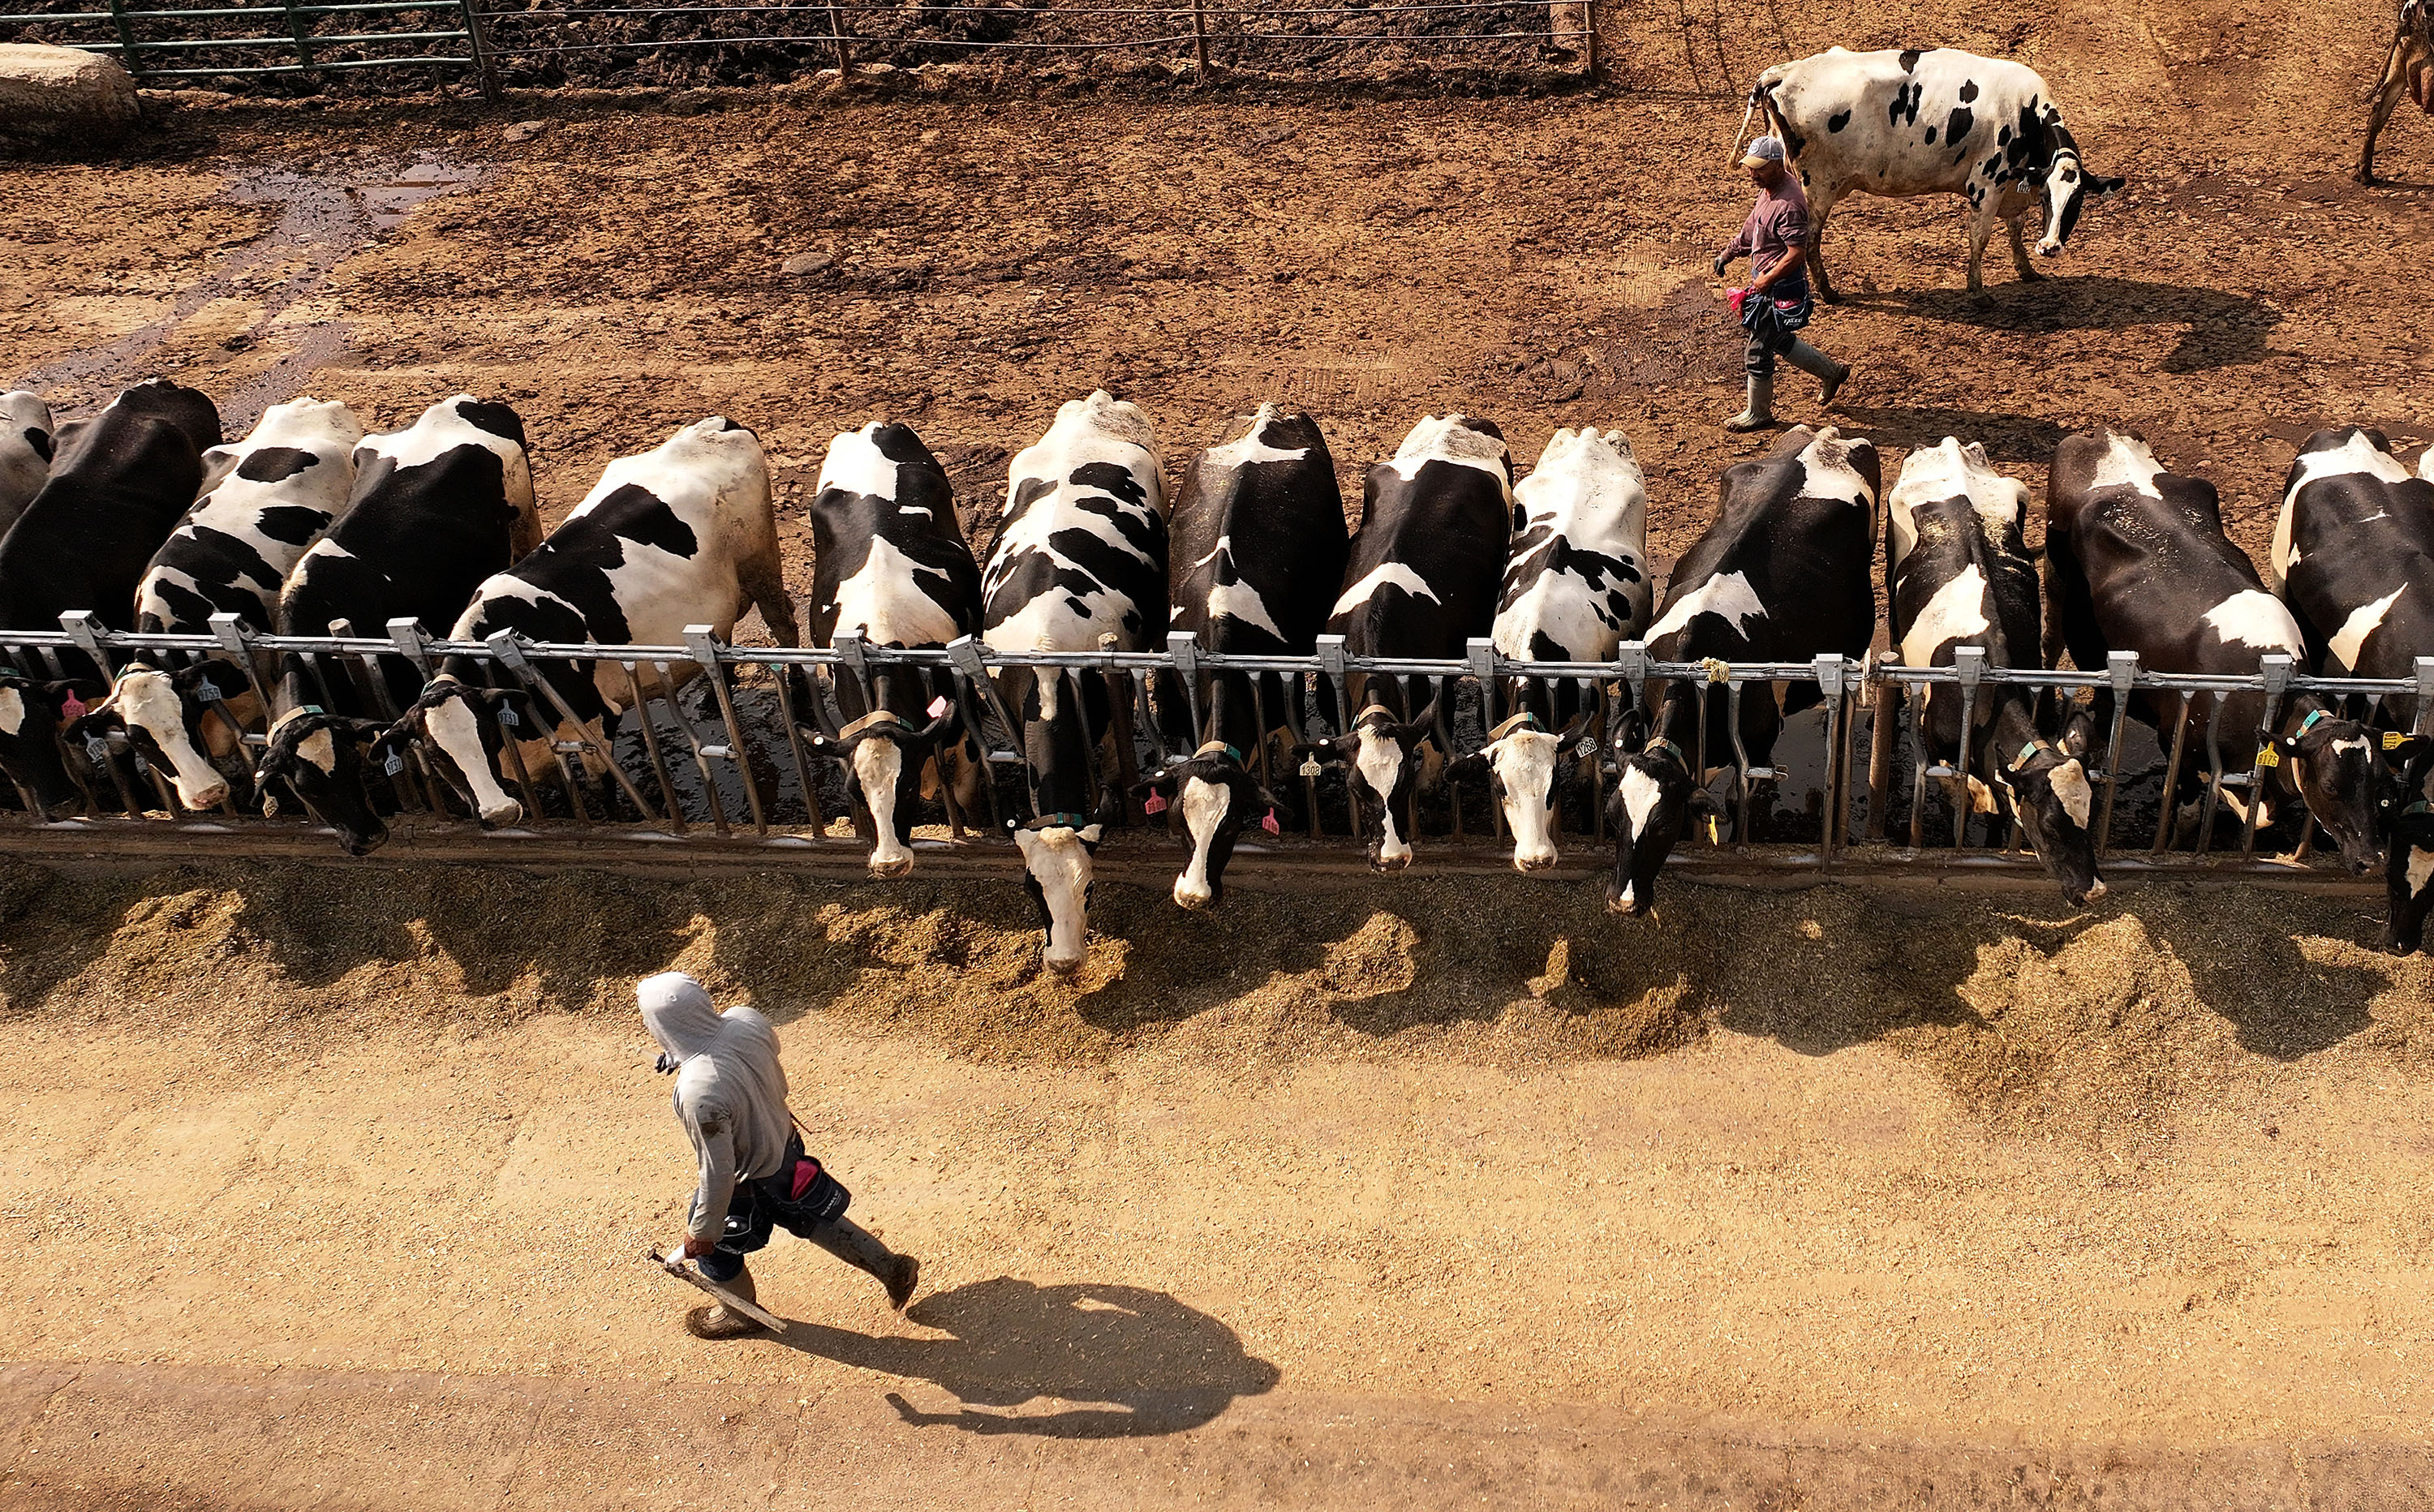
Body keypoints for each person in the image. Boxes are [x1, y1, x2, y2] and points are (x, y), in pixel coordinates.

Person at [640, 970, 918, 1338]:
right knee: (807, 1212)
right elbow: (732, 1059)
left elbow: (718, 1172)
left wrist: (702, 1232)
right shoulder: (746, 1020)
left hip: (749, 1179)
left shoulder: (697, 1096)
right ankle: (890, 1267)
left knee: (715, 1252)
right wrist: (681, 1054)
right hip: (786, 1143)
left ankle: (741, 1314)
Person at [1714, 135, 1851, 432]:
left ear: (1777, 165)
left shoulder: (1789, 204)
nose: (1752, 173)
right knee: (1779, 340)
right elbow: (1753, 228)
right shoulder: (1769, 190)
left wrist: (1767, 278)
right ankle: (1832, 372)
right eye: (1750, 167)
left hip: (1780, 288)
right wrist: (1729, 252)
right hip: (1767, 283)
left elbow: (1797, 254)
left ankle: (1758, 412)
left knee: (1759, 349)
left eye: (1759, 168)